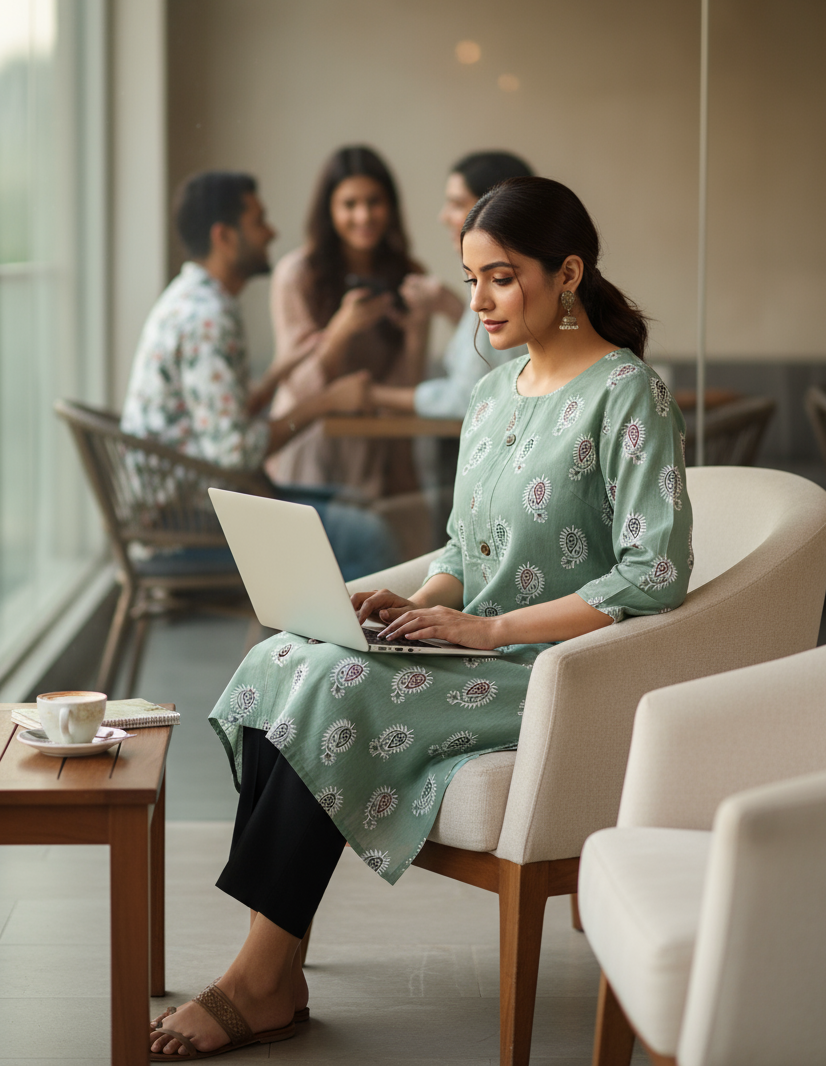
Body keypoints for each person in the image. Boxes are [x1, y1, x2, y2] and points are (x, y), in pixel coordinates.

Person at [149, 176, 693, 1060]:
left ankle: (259, 977)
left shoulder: (628, 394)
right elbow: (460, 550)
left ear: (567, 274)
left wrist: (490, 631)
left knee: (342, 684)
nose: (476, 300)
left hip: (552, 671)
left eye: (501, 278)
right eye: (470, 276)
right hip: (468, 644)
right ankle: (275, 962)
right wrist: (419, 601)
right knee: (287, 657)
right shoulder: (490, 394)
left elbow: (655, 571)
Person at [121, 170, 396, 581]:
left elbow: (214, 423)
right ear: (225, 237)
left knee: (358, 504)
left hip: (190, 508)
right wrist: (325, 403)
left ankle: (309, 638)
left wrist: (277, 373)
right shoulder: (207, 318)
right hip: (187, 528)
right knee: (368, 535)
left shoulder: (191, 298)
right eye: (259, 221)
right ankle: (331, 644)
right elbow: (236, 453)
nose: (271, 232)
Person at [266, 146, 429, 497]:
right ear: (329, 209)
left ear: (391, 205)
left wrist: (417, 331)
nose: (364, 216)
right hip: (309, 439)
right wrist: (341, 330)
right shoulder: (296, 275)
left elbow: (408, 384)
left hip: (379, 446)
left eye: (375, 202)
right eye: (349, 204)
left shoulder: (409, 275)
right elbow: (300, 387)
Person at [370, 150, 533, 419]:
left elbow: (471, 394)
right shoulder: (491, 284)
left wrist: (372, 395)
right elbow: (493, 360)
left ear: (493, 211)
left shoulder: (518, 284)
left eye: (457, 204)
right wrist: (449, 304)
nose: (444, 216)